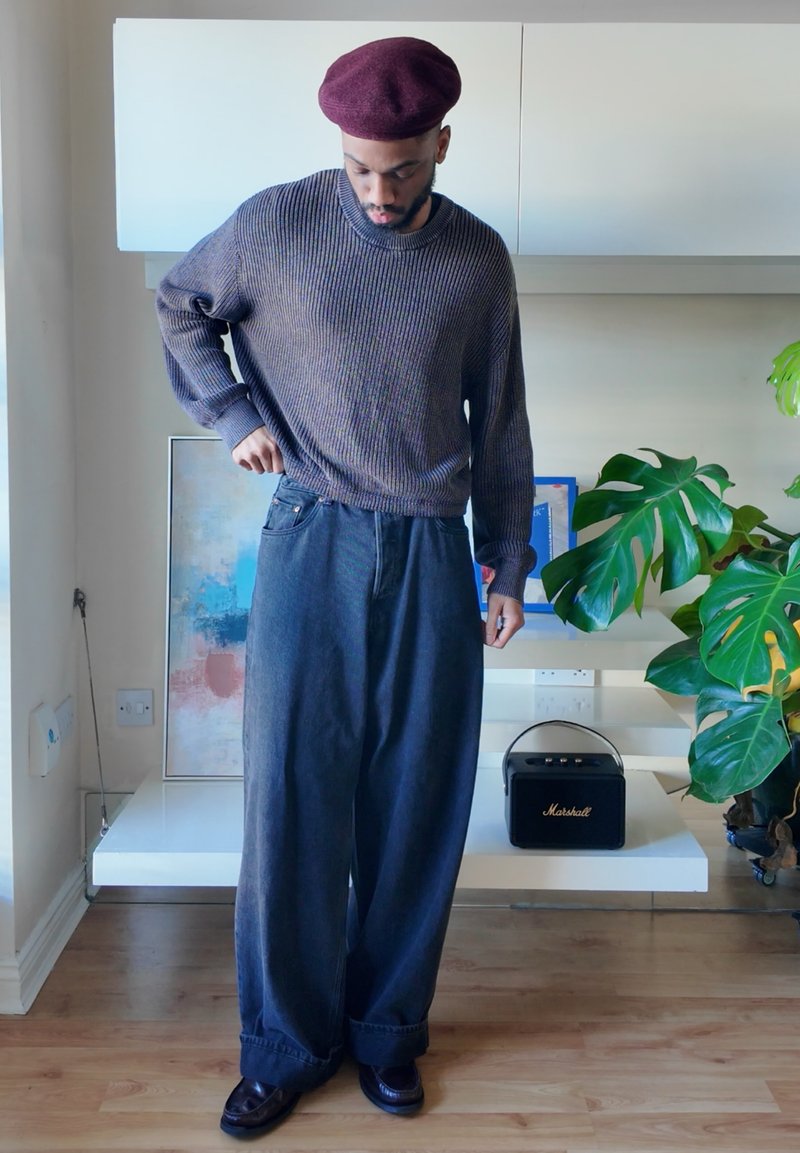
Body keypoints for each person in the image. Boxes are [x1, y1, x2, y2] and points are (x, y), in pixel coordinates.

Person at [156, 35, 534, 1139]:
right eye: (361, 166)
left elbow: (499, 420)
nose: (378, 190)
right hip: (311, 537)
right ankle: (283, 1046)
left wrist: (504, 562)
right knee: (290, 802)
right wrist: (233, 419)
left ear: (441, 145)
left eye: (404, 167)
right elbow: (181, 304)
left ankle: (384, 1037)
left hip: (426, 547)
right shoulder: (275, 223)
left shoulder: (477, 258)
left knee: (416, 805)